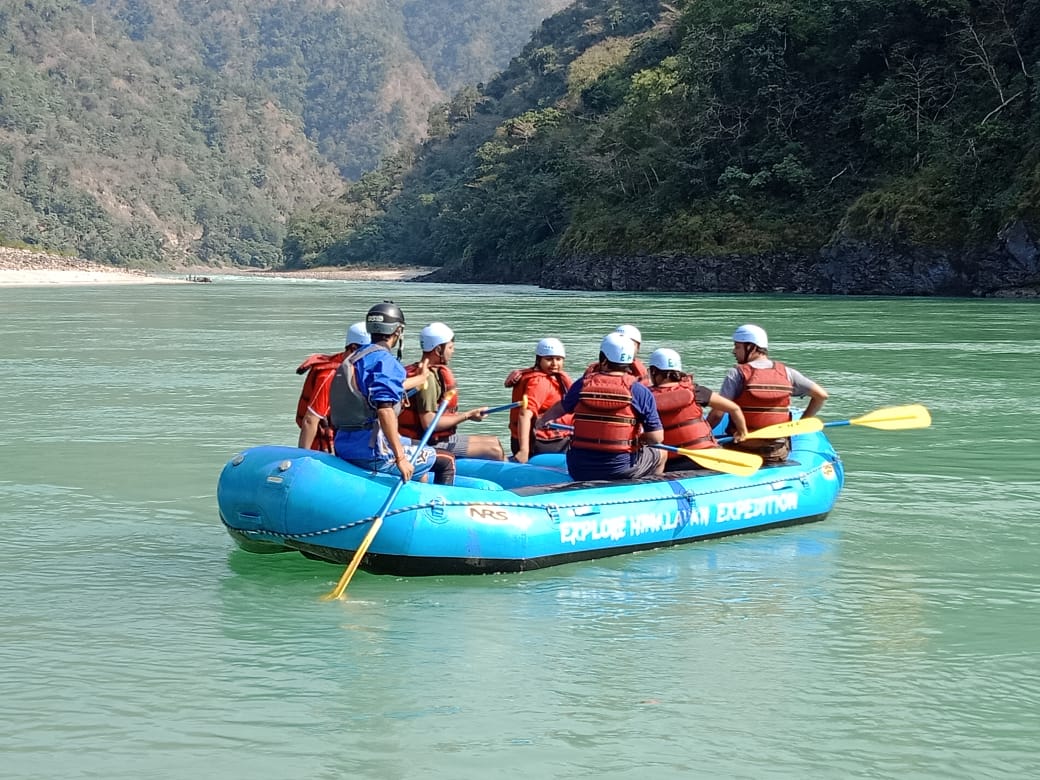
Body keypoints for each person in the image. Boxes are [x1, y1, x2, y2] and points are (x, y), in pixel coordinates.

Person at [328, 302, 454, 484]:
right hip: (373, 451)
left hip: (345, 445)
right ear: (397, 331)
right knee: (446, 461)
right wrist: (400, 458)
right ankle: (437, 509)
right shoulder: (385, 360)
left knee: (421, 447)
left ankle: (417, 491)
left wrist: (419, 380)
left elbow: (382, 387)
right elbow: (384, 409)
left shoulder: (358, 358)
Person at [538, 332, 665, 481]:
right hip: (620, 469)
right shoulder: (640, 391)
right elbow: (657, 437)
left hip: (579, 468)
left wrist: (541, 422)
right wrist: (639, 439)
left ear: (603, 359)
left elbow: (560, 408)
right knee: (661, 453)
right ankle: (652, 490)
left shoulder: (582, 384)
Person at [707, 324, 829, 464]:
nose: (734, 351)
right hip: (776, 451)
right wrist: (802, 423)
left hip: (741, 448)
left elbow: (717, 414)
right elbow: (821, 395)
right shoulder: (788, 373)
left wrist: (701, 438)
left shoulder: (737, 373)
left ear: (751, 347)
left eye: (737, 347)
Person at [398, 322, 506, 461]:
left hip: (438, 438)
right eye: (450, 347)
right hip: (426, 443)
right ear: (438, 350)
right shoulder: (427, 378)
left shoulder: (428, 371)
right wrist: (467, 416)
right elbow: (429, 423)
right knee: (494, 450)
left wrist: (469, 415)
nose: (453, 351)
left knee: (494, 441)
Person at [646, 348, 750, 472]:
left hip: (673, 462)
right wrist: (742, 432)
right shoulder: (696, 391)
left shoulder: (646, 397)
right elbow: (734, 409)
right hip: (708, 456)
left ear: (653, 371)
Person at [294, 322, 371, 452]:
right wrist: (303, 456)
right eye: (368, 352)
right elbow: (310, 420)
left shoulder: (359, 369)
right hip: (323, 447)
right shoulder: (331, 375)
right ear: (353, 348)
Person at [507, 338, 573, 463]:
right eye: (549, 359)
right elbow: (524, 414)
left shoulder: (553, 377)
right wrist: (524, 451)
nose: (554, 364)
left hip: (544, 439)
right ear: (539, 360)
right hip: (543, 442)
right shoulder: (539, 382)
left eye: (558, 359)